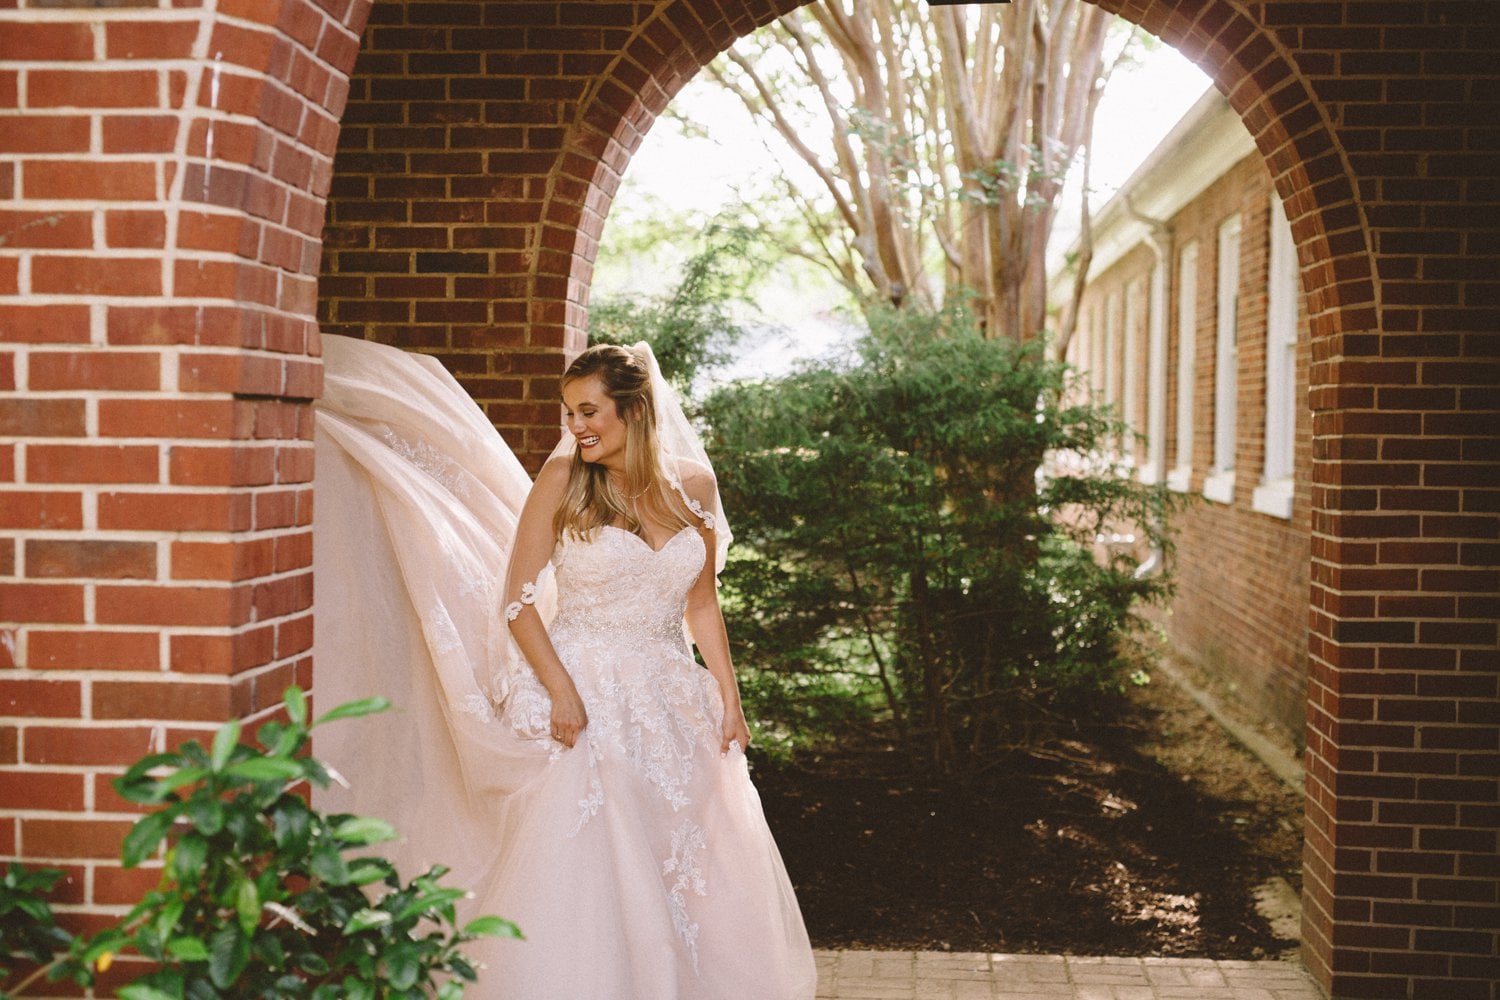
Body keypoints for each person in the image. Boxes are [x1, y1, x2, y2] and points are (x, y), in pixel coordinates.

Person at [311, 335, 816, 999]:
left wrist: (731, 700)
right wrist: (562, 691)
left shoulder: (694, 487)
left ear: (634, 413)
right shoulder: (564, 481)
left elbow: (701, 606)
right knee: (600, 847)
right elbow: (518, 605)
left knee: (686, 850)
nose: (574, 428)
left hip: (669, 695)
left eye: (588, 413)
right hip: (582, 685)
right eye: (568, 414)